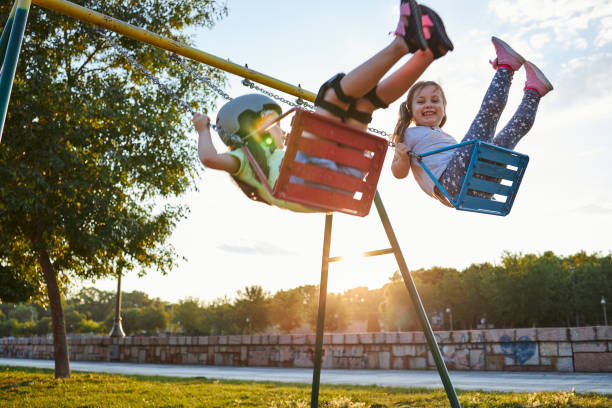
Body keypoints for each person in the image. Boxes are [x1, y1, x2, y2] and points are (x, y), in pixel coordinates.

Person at [193, 0, 453, 212]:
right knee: (331, 95)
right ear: (243, 134)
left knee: (363, 105)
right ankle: (405, 42)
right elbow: (209, 158)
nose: (276, 130)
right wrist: (203, 128)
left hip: (336, 188)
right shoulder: (244, 158)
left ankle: (429, 52)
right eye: (268, 125)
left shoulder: (274, 159)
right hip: (306, 180)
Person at [391, 36, 554, 206]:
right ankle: (506, 68)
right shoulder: (409, 134)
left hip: (481, 184)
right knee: (486, 119)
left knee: (506, 139)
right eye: (421, 101)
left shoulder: (445, 136)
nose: (429, 105)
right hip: (453, 183)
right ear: (410, 110)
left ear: (444, 107)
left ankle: (534, 92)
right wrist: (402, 158)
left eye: (435, 100)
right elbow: (398, 173)